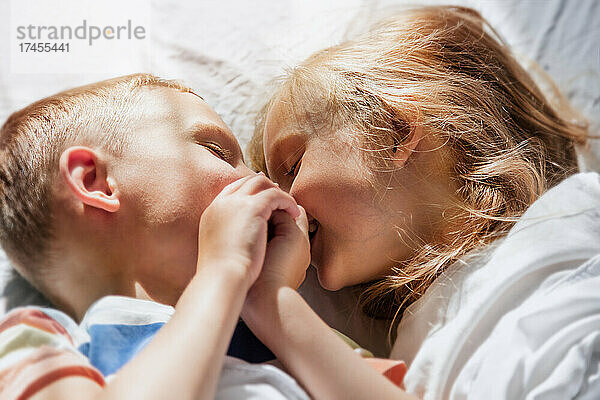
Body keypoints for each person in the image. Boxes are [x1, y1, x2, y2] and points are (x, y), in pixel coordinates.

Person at [246, 5, 600, 400]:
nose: (280, 203)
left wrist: (273, 303)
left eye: (292, 166)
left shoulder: (575, 216)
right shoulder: (411, 344)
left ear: (395, 131)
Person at [0, 73, 314, 400]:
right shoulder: (34, 341)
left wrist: (275, 302)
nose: (266, 183)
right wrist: (223, 271)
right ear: (96, 181)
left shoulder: (290, 334)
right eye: (217, 151)